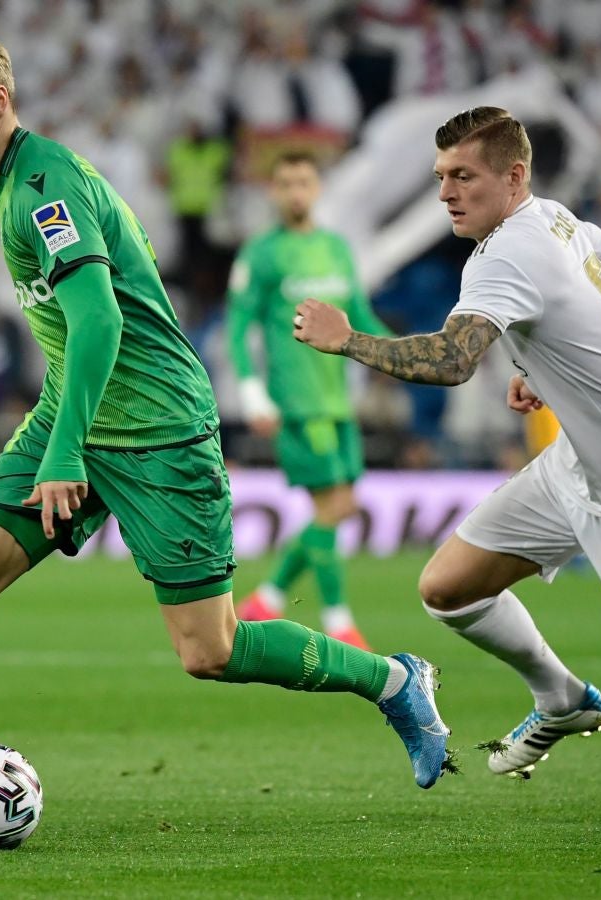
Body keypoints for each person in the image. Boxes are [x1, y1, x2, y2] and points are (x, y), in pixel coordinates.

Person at [0, 25, 452, 847]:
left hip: (157, 431)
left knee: (210, 650)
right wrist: (66, 434)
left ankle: (393, 678)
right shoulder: (13, 184)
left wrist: (65, 451)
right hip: (77, 412)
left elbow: (100, 321)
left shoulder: (44, 186)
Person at [294, 106, 601, 817]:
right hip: (576, 467)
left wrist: (350, 341)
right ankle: (560, 699)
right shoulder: (553, 218)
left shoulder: (507, 254)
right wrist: (550, 360)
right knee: (449, 587)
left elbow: (452, 360)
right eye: (441, 176)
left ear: (513, 175)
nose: (445, 193)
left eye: (463, 176)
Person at [228, 151, 394, 651]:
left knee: (340, 507)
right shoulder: (261, 253)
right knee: (335, 504)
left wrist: (408, 355)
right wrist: (253, 392)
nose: (295, 192)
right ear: (273, 192)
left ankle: (268, 598)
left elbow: (360, 312)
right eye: (285, 183)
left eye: (303, 181)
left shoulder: (336, 249)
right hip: (297, 402)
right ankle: (338, 621)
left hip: (339, 401)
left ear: (317, 188)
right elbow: (239, 329)